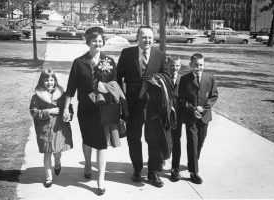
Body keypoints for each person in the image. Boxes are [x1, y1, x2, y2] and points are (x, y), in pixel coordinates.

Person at [63, 27, 124, 195]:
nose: (97, 43)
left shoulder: (110, 61)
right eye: (94, 41)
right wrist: (66, 107)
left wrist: (108, 88)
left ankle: (101, 178)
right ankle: (88, 163)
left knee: (102, 143)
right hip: (85, 108)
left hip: (104, 109)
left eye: (100, 41)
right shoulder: (79, 62)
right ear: (88, 42)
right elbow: (71, 87)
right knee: (88, 138)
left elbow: (116, 84)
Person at [117, 25, 170, 188]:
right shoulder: (127, 54)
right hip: (133, 104)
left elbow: (167, 75)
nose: (147, 40)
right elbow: (118, 77)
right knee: (134, 139)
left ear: (153, 38)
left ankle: (153, 173)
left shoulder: (160, 55)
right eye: (143, 37)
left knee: (153, 139)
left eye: (149, 37)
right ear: (137, 38)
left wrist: (158, 80)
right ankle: (137, 169)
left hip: (153, 105)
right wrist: (121, 100)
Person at [177, 53, 218, 184]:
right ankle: (194, 172)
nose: (198, 68)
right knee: (192, 143)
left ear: (204, 65)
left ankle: (192, 162)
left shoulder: (210, 77)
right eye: (195, 65)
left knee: (200, 143)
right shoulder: (184, 79)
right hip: (190, 117)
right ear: (190, 65)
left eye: (201, 65)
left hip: (204, 117)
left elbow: (213, 96)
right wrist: (192, 109)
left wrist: (204, 108)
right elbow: (181, 99)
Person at [30, 68, 73, 188]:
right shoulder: (36, 96)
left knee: (57, 152)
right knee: (47, 153)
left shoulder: (61, 95)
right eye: (47, 80)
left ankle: (58, 162)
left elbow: (68, 107)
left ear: (55, 80)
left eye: (52, 79)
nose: (50, 82)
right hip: (45, 129)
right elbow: (34, 111)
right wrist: (48, 111)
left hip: (58, 128)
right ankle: (48, 178)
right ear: (41, 81)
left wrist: (68, 114)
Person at [166, 55, 183, 182]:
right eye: (172, 66)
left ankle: (175, 168)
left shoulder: (183, 80)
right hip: (165, 115)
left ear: (180, 66)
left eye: (177, 65)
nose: (174, 68)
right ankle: (162, 159)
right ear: (168, 66)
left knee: (176, 141)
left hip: (178, 116)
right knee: (165, 139)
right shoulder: (163, 79)